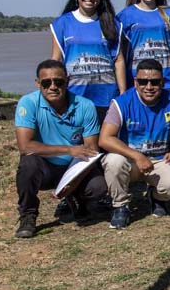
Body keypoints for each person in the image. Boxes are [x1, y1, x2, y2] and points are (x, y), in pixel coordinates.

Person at [13, 59, 108, 238]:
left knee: (98, 186)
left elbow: (92, 149)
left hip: (75, 167)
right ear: (37, 83)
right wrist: (69, 150)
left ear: (68, 80)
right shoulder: (28, 103)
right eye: (46, 83)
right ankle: (27, 215)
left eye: (59, 81)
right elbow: (25, 146)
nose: (53, 87)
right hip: (46, 167)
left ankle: (78, 199)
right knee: (28, 163)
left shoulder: (85, 105)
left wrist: (72, 183)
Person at [99, 59, 170, 228]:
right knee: (113, 161)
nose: (149, 87)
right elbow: (105, 138)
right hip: (130, 160)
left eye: (155, 82)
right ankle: (120, 206)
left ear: (163, 82)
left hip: (160, 159)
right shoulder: (121, 103)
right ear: (135, 82)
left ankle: (155, 197)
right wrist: (137, 156)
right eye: (143, 82)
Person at [50, 0, 126, 116]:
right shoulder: (62, 23)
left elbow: (119, 60)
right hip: (74, 95)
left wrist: (122, 92)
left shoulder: (112, 24)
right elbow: (56, 59)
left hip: (106, 97)